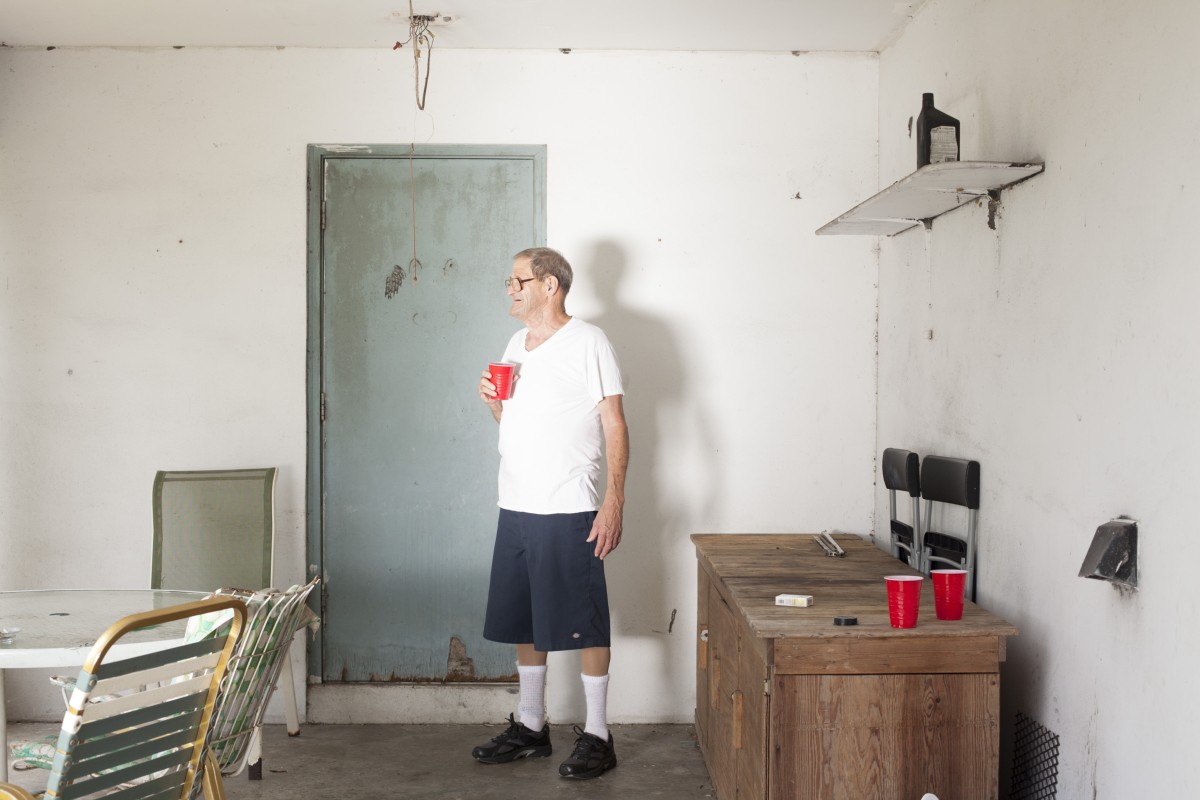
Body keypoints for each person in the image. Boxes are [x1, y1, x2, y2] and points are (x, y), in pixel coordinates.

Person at [472, 247, 629, 780]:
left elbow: (614, 423)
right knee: (526, 616)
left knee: (585, 620)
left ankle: (599, 735)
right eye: (510, 280)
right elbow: (517, 424)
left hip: (567, 505)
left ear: (549, 285)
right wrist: (496, 405)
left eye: (518, 280)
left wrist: (613, 500)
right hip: (516, 502)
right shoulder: (515, 344)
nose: (509, 289)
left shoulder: (589, 341)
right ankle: (531, 725)